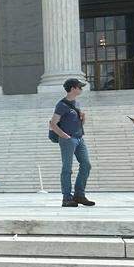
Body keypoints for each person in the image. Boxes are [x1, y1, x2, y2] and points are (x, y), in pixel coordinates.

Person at [49, 79, 94, 208]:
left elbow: (77, 123)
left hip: (79, 138)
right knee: (67, 169)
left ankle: (79, 195)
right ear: (73, 88)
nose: (81, 89)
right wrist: (65, 136)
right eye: (80, 87)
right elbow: (53, 123)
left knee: (86, 164)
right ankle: (67, 198)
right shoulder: (61, 105)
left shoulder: (77, 103)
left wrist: (83, 119)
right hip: (68, 140)